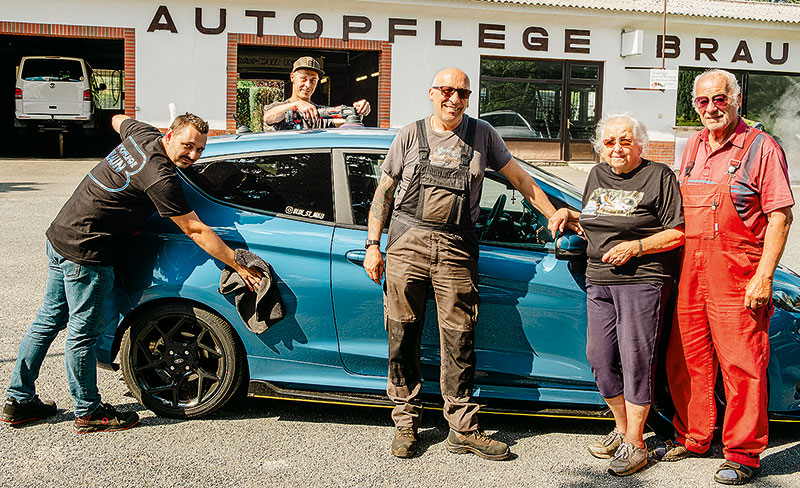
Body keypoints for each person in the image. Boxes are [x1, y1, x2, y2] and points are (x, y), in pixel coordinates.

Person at [1, 113, 262, 433]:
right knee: (82, 334)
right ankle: (88, 411)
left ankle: (19, 400)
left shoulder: (142, 133)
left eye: (199, 150)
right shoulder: (160, 177)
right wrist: (237, 263)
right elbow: (195, 229)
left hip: (60, 235)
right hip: (88, 253)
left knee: (48, 320)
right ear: (169, 136)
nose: (193, 156)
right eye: (187, 145)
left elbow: (117, 119)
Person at [363, 67, 557, 460]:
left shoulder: (483, 134)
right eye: (448, 91)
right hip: (407, 244)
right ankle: (406, 421)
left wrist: (552, 213)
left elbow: (520, 180)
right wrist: (372, 244)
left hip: (457, 249)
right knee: (402, 335)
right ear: (431, 92)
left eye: (463, 93)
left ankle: (462, 427)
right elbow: (383, 192)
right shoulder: (409, 134)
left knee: (460, 337)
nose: (455, 99)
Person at [660, 69, 793, 485]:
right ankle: (693, 435)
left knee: (743, 366)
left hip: (738, 274)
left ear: (736, 100)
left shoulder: (762, 147)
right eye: (702, 101)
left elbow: (780, 217)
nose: (711, 108)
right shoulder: (694, 144)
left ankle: (743, 453)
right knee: (687, 359)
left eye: (720, 99)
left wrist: (764, 277)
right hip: (691, 271)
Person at [548, 113, 684, 476]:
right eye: (609, 142)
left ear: (640, 144)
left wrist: (635, 248)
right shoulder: (597, 175)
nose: (617, 148)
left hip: (642, 280)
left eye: (625, 141)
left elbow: (676, 234)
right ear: (601, 148)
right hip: (599, 280)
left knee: (637, 360)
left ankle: (635, 444)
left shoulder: (658, 176)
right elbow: (597, 221)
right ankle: (624, 429)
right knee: (600, 358)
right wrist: (569, 215)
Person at [262, 56, 371, 130]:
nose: (308, 85)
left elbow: (346, 121)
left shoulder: (321, 113)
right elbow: (268, 117)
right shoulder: (279, 107)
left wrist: (358, 111)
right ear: (292, 78)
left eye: (313, 80)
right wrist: (296, 105)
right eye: (303, 79)